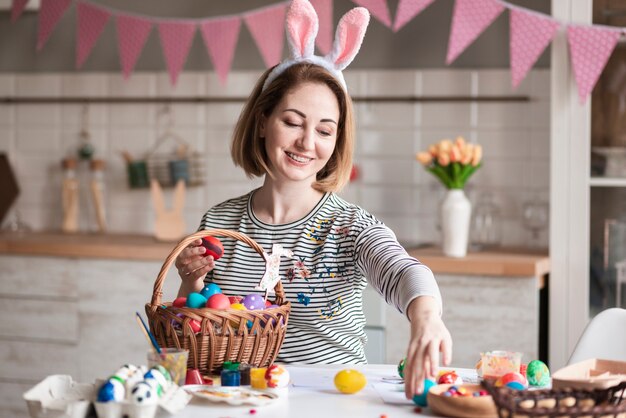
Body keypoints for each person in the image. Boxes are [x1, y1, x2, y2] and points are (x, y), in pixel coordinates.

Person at [174, 0, 451, 399]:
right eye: (292, 122)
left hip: (330, 402)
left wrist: (426, 317)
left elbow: (403, 271)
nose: (307, 143)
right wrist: (190, 281)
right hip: (240, 399)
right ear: (263, 122)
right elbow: (196, 330)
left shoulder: (349, 227)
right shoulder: (221, 220)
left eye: (325, 130)